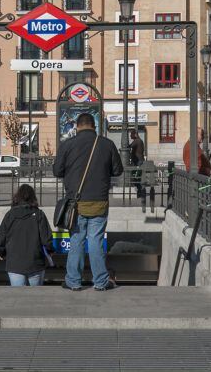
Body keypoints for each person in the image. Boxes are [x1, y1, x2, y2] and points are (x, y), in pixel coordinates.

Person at [53, 113, 122, 292]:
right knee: (96, 241)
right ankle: (100, 282)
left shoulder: (67, 145)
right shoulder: (107, 144)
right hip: (99, 201)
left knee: (76, 240)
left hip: (75, 204)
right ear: (94, 126)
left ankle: (73, 281)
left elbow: (57, 171)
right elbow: (117, 170)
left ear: (77, 126)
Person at [0, 184, 53, 287]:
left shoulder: (10, 215)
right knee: (35, 298)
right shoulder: (39, 214)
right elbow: (46, 239)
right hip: (36, 263)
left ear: (17, 197)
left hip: (14, 264)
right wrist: (50, 251)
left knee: (18, 297)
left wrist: (1, 253)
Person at [128, 130, 146, 199]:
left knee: (136, 177)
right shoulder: (138, 140)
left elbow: (129, 146)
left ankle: (140, 192)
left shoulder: (137, 141)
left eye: (131, 134)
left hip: (138, 162)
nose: (130, 136)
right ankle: (140, 191)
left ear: (135, 134)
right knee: (136, 177)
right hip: (138, 161)